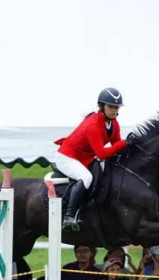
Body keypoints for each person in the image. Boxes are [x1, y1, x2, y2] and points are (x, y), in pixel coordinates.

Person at [54, 87, 128, 231]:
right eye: (111, 106)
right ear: (102, 106)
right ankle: (68, 217)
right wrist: (125, 143)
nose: (114, 110)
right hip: (66, 157)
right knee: (86, 177)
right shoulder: (93, 125)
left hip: (84, 158)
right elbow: (101, 154)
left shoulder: (114, 124)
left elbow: (116, 146)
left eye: (116, 107)